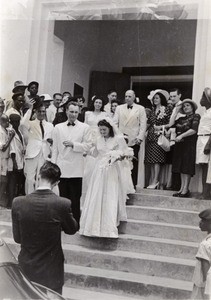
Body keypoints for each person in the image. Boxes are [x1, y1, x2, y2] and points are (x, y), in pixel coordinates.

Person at [12, 161, 78, 295]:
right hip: (52, 271)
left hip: (27, 268)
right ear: (56, 183)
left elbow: (18, 238)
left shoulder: (18, 202)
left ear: (38, 177)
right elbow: (72, 229)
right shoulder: (62, 204)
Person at [79, 119, 134, 238]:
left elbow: (126, 154)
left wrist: (118, 157)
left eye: (104, 129)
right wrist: (87, 152)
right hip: (99, 169)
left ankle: (109, 227)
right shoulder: (98, 139)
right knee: (96, 195)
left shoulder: (117, 139)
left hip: (112, 170)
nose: (102, 131)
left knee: (109, 195)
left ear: (110, 128)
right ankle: (93, 227)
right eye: (100, 130)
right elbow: (95, 154)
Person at [52, 101, 91, 224]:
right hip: (62, 167)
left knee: (75, 198)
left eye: (76, 112)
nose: (73, 114)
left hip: (76, 168)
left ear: (79, 112)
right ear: (66, 111)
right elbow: (54, 149)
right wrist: (54, 166)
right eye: (71, 111)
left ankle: (75, 224)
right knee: (63, 198)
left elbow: (88, 146)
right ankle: (63, 223)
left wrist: (74, 144)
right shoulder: (58, 127)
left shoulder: (85, 127)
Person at [113, 90, 147, 188]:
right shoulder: (119, 108)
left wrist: (140, 138)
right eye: (126, 96)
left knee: (133, 162)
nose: (127, 98)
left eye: (129, 96)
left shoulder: (140, 108)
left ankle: (132, 185)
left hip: (134, 139)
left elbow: (143, 124)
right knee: (120, 161)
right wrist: (118, 135)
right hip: (121, 139)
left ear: (134, 97)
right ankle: (120, 184)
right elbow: (115, 123)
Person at [20, 100, 54, 194]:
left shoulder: (50, 125)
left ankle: (39, 198)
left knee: (41, 178)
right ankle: (29, 198)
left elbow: (52, 139)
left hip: (44, 153)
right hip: (32, 153)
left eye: (43, 111)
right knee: (30, 178)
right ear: (35, 111)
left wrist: (51, 144)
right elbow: (22, 124)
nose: (42, 113)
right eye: (39, 111)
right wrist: (30, 109)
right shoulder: (30, 123)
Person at [171, 99, 200, 197]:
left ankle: (186, 189)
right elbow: (171, 125)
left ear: (192, 107)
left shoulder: (196, 116)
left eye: (188, 105)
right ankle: (182, 189)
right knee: (180, 166)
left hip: (189, 144)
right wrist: (176, 110)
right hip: (180, 145)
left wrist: (181, 136)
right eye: (184, 106)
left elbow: (193, 130)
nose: (185, 107)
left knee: (186, 166)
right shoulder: (180, 119)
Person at [144, 90, 171, 189]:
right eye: (154, 98)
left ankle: (156, 180)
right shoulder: (152, 110)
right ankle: (152, 180)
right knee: (150, 159)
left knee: (157, 160)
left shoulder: (166, 109)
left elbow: (170, 123)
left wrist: (161, 127)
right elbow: (148, 123)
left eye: (157, 98)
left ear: (161, 99)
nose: (154, 100)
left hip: (159, 136)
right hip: (150, 136)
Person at [192, 208, 211, 299]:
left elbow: (205, 272)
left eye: (204, 220)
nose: (200, 223)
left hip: (204, 287)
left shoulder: (205, 245)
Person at [7, 114, 25, 208]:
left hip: (20, 159)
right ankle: (10, 203)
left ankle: (14, 202)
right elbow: (12, 149)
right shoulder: (11, 131)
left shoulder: (19, 132)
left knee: (18, 182)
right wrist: (14, 163)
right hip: (14, 160)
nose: (16, 123)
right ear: (10, 122)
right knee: (12, 182)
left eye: (18, 121)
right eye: (14, 121)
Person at [196, 87, 211, 199]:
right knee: (203, 166)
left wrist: (208, 144)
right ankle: (204, 192)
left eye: (203, 97)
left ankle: (206, 194)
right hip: (201, 139)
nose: (201, 99)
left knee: (207, 168)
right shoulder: (206, 112)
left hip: (207, 140)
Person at [0, 114, 15, 207]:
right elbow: (3, 148)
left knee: (4, 181)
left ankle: (1, 200)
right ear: (1, 121)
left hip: (5, 160)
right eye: (6, 121)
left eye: (8, 121)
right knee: (3, 181)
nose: (8, 123)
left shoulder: (6, 130)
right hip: (1, 159)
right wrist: (11, 137)